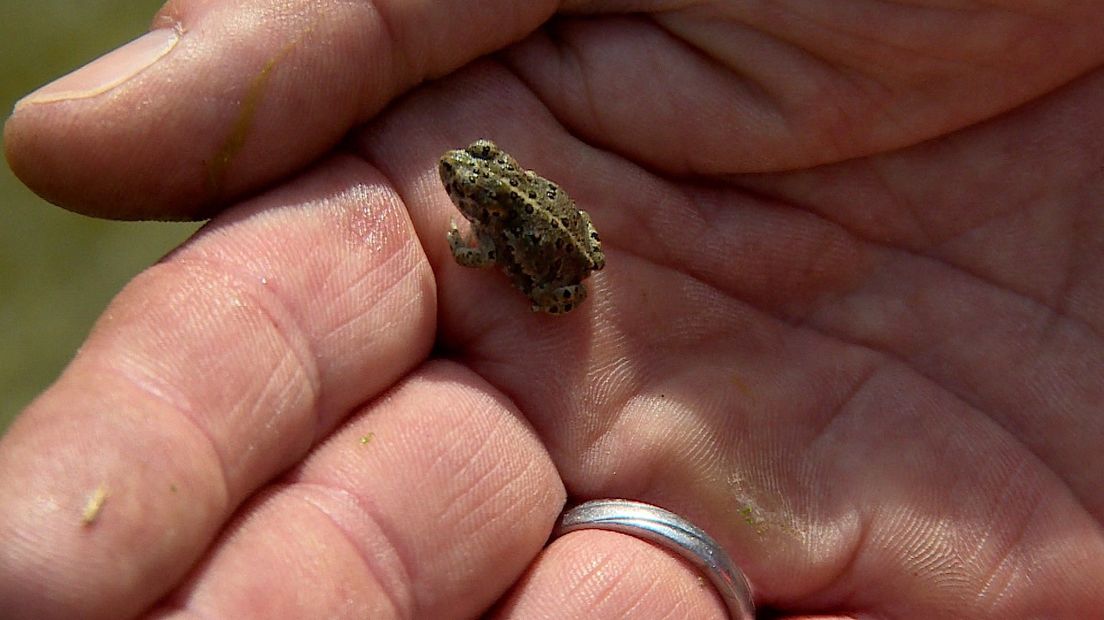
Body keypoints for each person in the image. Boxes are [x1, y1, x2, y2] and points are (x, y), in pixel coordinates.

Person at [2, 2, 1103, 618]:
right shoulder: (499, 173)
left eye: (471, 183)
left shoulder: (493, 207)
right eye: (473, 181)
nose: (464, 181)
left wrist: (488, 249)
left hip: (566, 266)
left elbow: (556, 255)